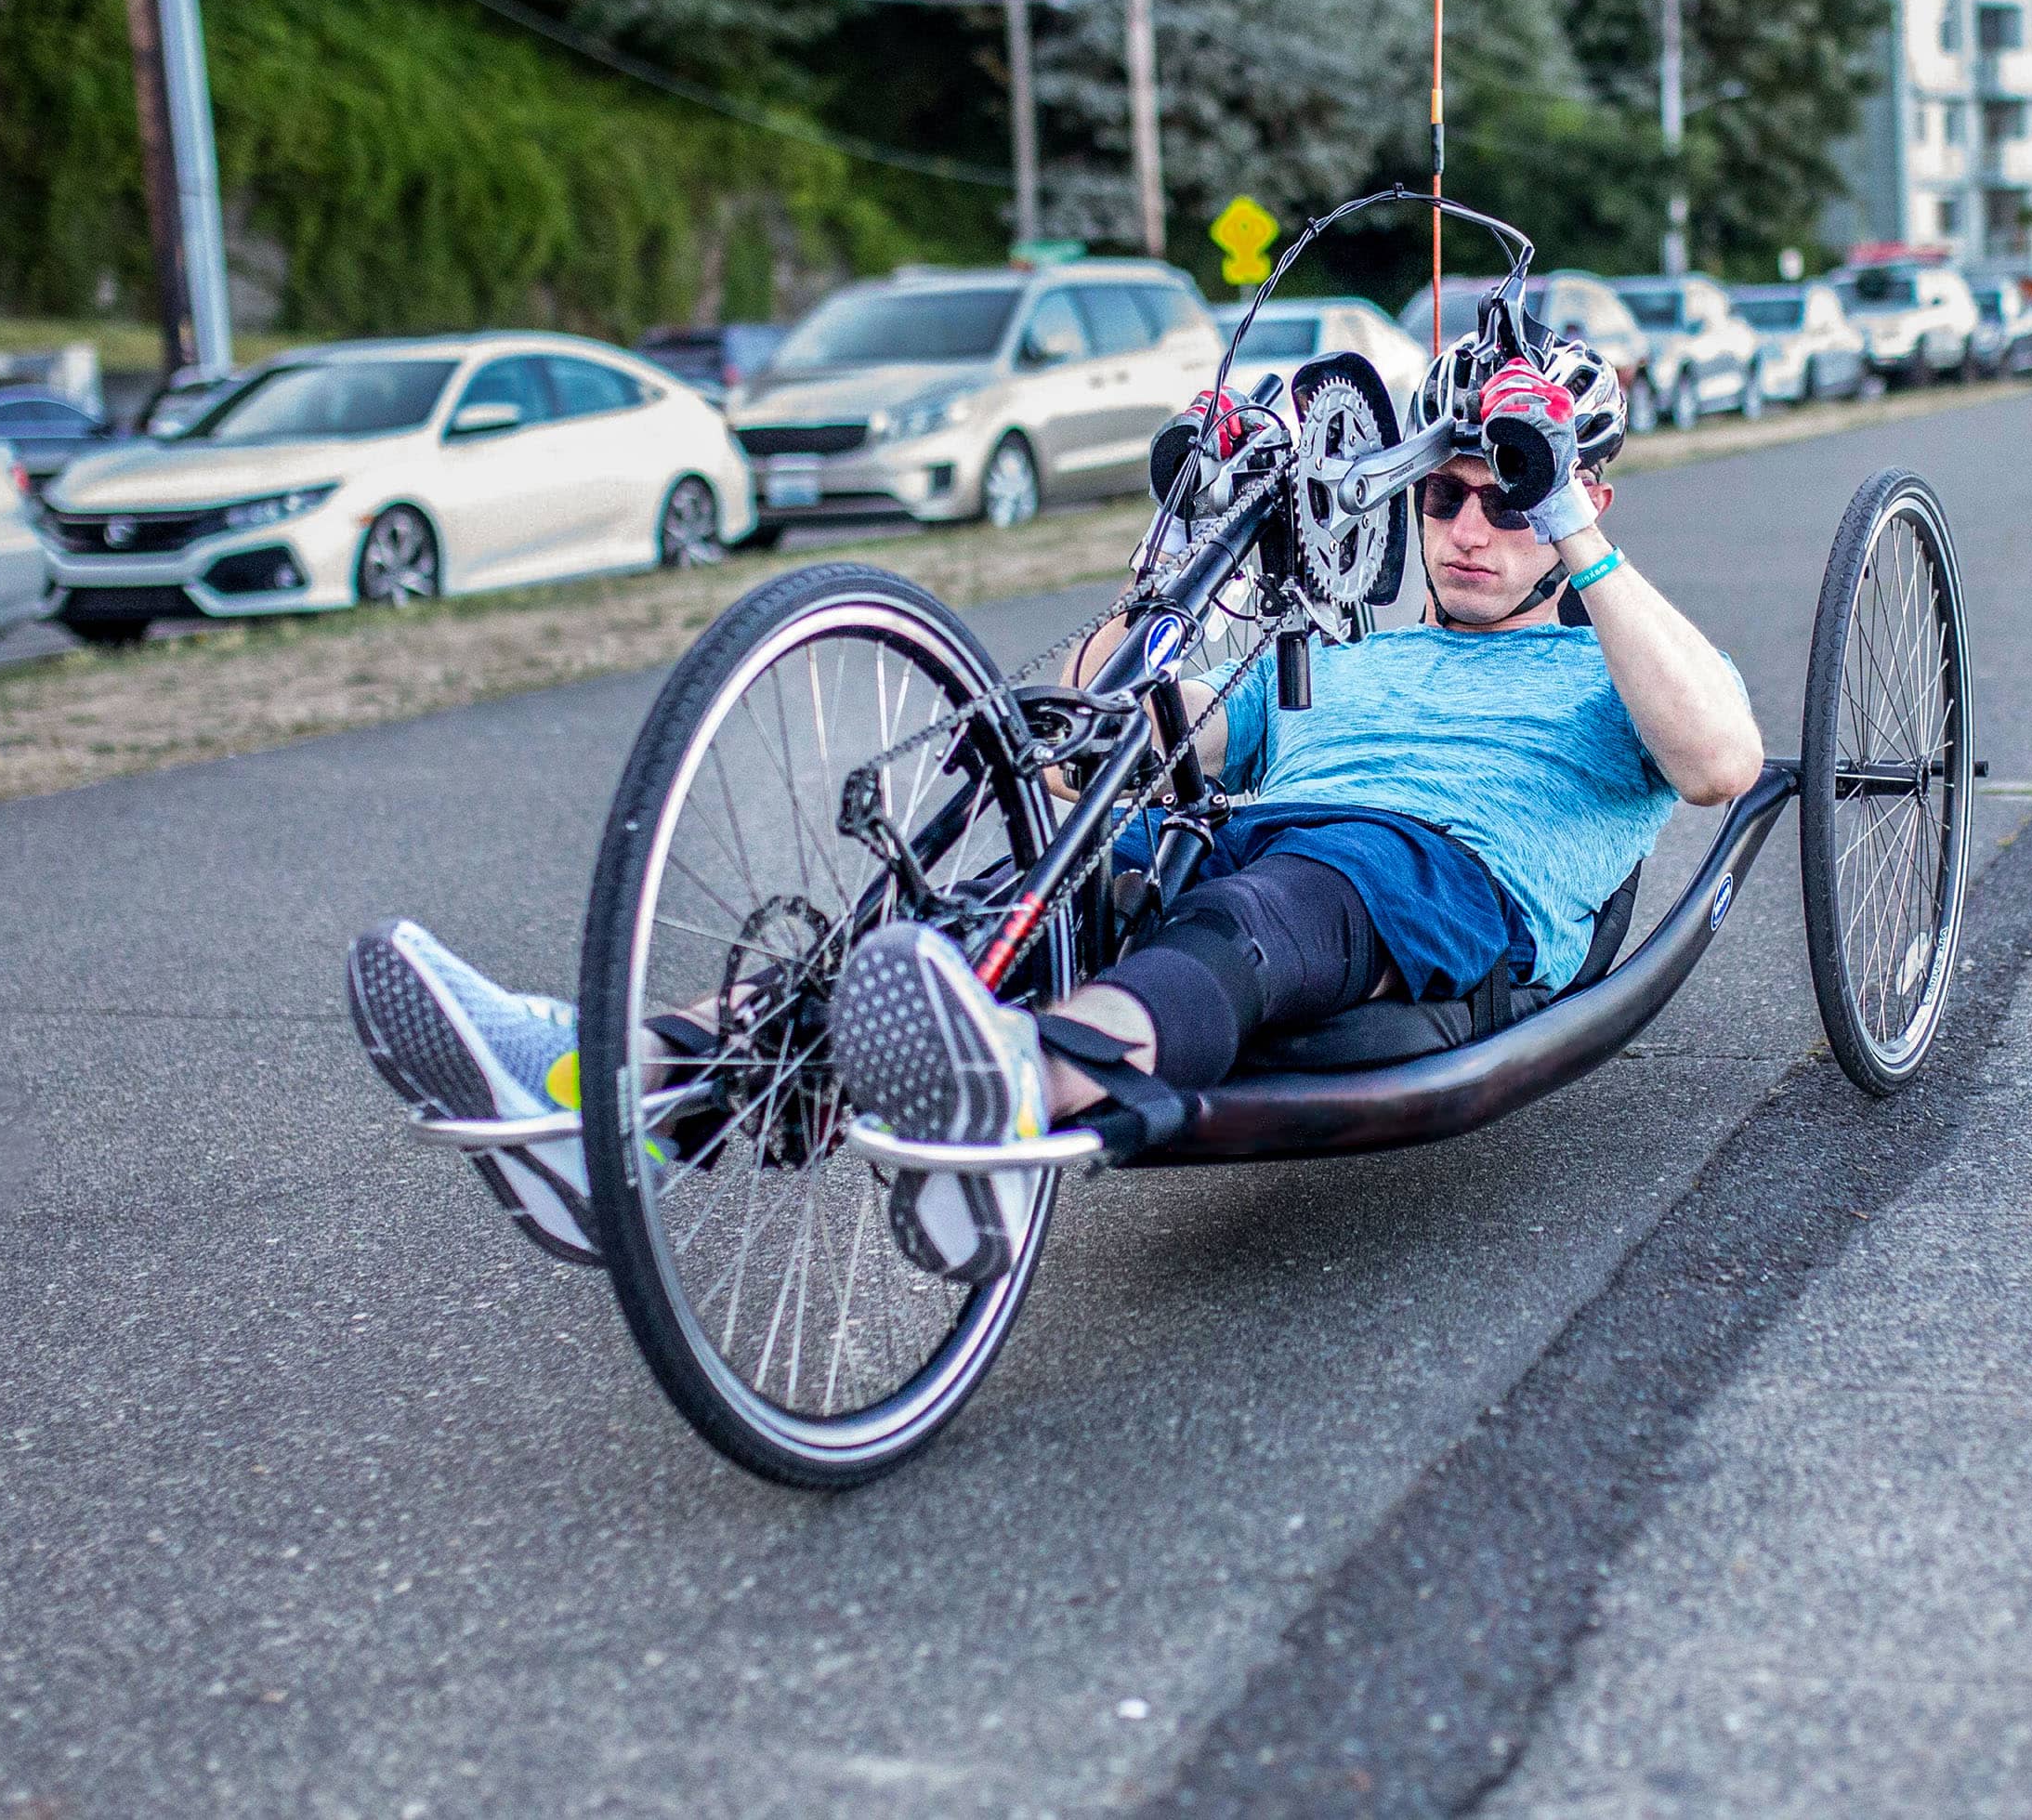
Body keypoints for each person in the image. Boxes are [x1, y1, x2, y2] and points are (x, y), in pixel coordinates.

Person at [345, 330, 1763, 1283]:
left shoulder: (1616, 659)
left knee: (1266, 909)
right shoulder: (1349, 655)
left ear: (1584, 506)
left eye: (1500, 504)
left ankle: (1022, 1092)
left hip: (1433, 886)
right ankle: (606, 1091)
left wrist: (1564, 519)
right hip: (1256, 841)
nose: (1464, 529)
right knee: (1018, 891)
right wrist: (1195, 542)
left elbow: (1717, 764)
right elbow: (1112, 730)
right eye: (1445, 498)